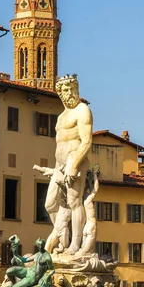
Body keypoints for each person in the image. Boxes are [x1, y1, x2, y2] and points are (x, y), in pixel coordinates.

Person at [44, 74, 93, 254]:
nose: (70, 93)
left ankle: (75, 244)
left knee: (74, 202)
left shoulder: (82, 110)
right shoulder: (62, 116)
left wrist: (74, 164)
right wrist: (56, 168)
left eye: (73, 89)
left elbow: (87, 141)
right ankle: (63, 238)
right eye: (66, 90)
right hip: (59, 165)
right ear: (59, 93)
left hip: (76, 161)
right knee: (50, 204)